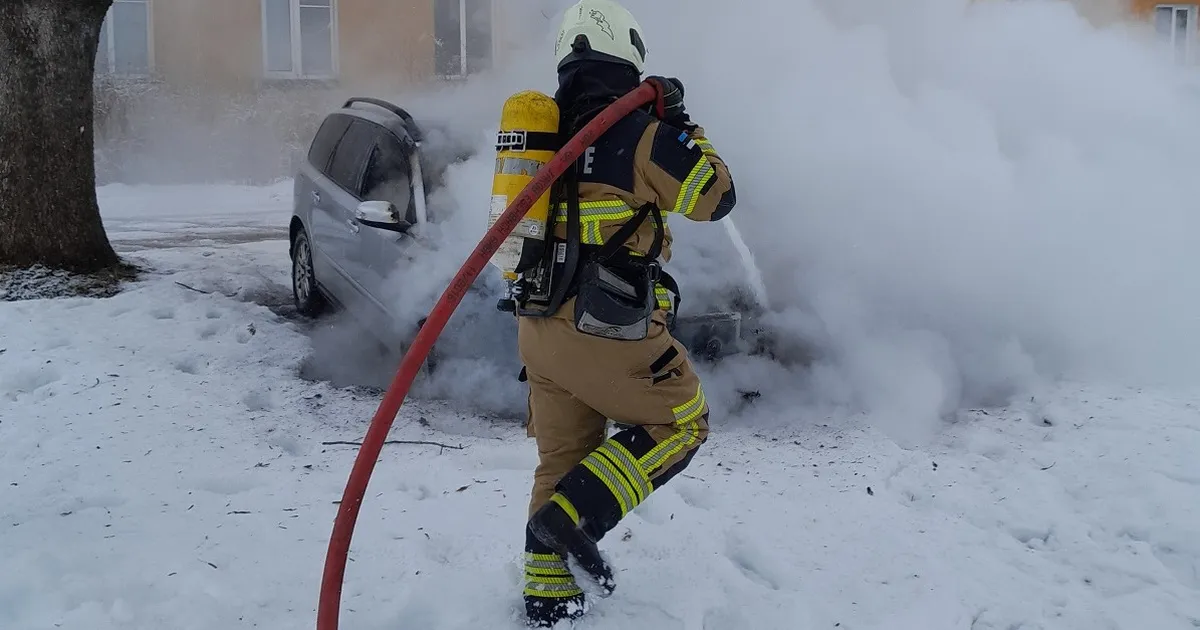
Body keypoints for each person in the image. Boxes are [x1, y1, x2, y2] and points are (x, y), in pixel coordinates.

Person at [515, 0, 737, 626]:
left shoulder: (541, 133)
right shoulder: (640, 136)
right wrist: (683, 123)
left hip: (537, 326)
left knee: (564, 457)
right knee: (683, 422)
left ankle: (547, 594)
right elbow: (717, 196)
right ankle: (571, 517)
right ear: (627, 48)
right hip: (604, 328)